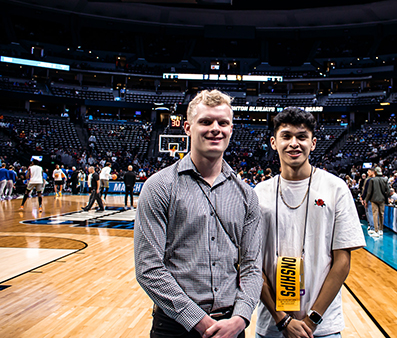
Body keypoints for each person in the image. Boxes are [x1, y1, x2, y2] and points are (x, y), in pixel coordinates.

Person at [134, 90, 263, 338]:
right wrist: (199, 321)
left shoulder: (247, 195)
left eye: (223, 123)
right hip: (175, 326)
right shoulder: (159, 187)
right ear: (188, 128)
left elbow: (252, 266)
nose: (215, 128)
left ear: (231, 129)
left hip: (231, 327)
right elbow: (148, 268)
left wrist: (240, 318)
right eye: (205, 121)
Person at [254, 107, 365, 338]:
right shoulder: (258, 193)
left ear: (313, 143)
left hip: (322, 329)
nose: (294, 143)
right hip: (271, 327)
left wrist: (313, 319)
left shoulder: (336, 189)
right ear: (274, 142)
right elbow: (252, 264)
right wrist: (282, 319)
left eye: (302, 137)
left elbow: (342, 261)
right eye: (286, 136)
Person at [365, 166, 389, 237]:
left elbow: (369, 192)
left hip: (374, 200)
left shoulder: (372, 180)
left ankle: (376, 230)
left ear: (375, 172)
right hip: (382, 200)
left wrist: (366, 200)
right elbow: (387, 191)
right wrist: (386, 199)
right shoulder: (385, 180)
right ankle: (381, 229)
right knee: (381, 214)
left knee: (375, 214)